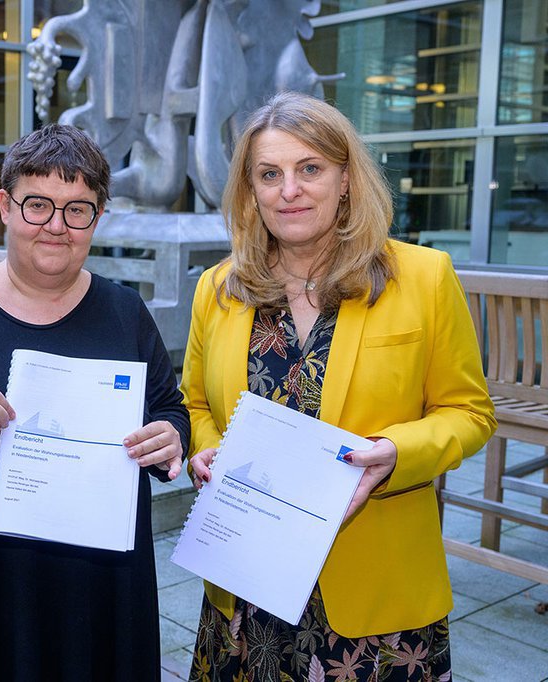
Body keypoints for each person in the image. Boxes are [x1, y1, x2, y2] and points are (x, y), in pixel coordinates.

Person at [181, 91, 496, 680]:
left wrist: (397, 454)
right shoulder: (218, 288)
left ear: (346, 179)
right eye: (269, 174)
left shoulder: (423, 279)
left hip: (375, 601)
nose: (289, 190)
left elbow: (469, 412)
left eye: (310, 169)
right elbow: (196, 402)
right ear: (250, 191)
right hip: (245, 591)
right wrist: (205, 450)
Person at [0, 123, 190, 681]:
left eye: (78, 210)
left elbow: (170, 410)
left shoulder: (126, 313)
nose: (56, 226)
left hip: (101, 583)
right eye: (38, 205)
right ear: (5, 206)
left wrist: (171, 437)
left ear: (97, 219)